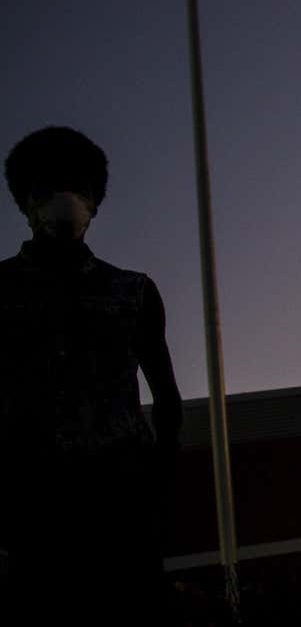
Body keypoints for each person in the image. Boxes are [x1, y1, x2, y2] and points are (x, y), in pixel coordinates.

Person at [0, 127, 181, 621]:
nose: (65, 198)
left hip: (120, 514)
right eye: (48, 186)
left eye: (77, 186)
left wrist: (155, 488)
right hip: (32, 515)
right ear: (25, 200)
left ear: (95, 201)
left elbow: (167, 398)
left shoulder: (133, 292)